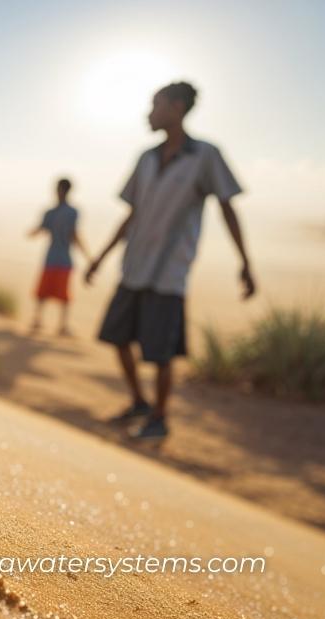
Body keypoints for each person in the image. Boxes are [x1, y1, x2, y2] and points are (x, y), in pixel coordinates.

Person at [86, 81, 256, 443]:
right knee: (118, 335)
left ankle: (160, 417)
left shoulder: (205, 155)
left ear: (176, 108)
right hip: (135, 265)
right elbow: (130, 214)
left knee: (161, 351)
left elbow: (228, 207)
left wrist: (245, 262)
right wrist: (100, 257)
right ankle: (138, 402)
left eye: (156, 105)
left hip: (169, 271)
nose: (149, 113)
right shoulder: (146, 158)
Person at [28, 178, 87, 335]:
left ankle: (62, 325)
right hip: (52, 258)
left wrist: (87, 255)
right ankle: (37, 320)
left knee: (63, 294)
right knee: (43, 291)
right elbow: (42, 228)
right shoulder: (51, 212)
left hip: (63, 259)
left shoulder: (71, 212)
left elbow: (74, 235)